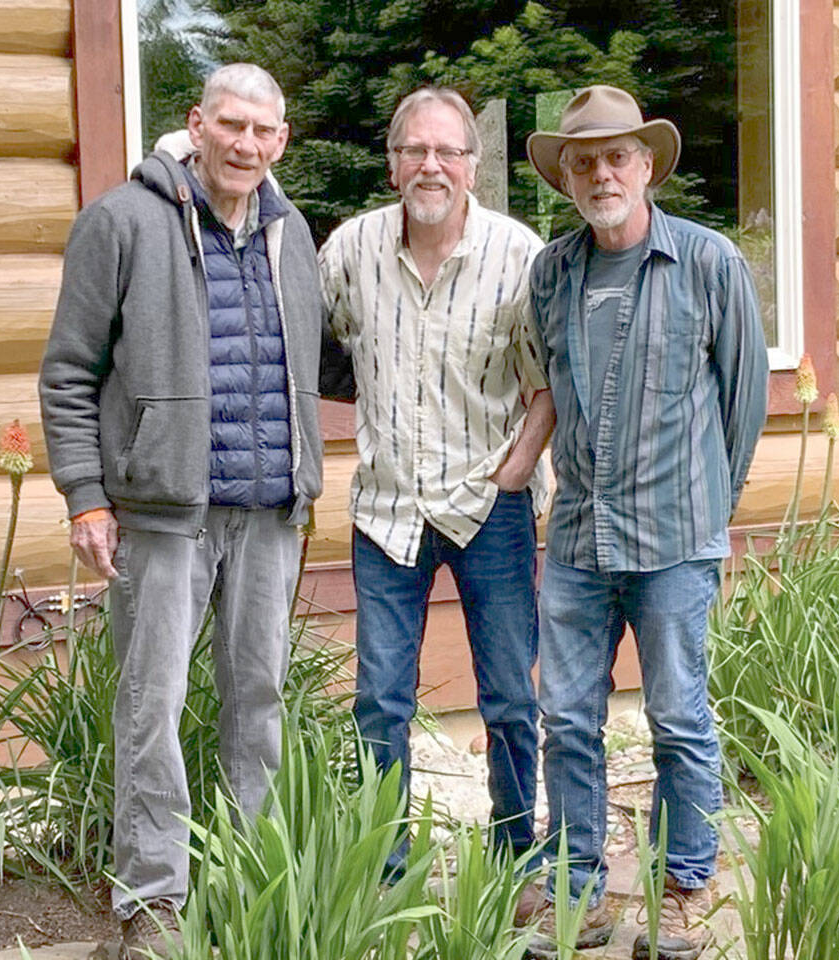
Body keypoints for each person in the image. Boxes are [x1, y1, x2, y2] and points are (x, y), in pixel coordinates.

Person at [39, 63, 328, 960]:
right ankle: (151, 900)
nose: (245, 144)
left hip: (270, 510)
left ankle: (250, 877)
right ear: (197, 124)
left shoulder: (291, 233)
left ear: (281, 142)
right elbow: (68, 371)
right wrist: (87, 495)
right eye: (230, 125)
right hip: (163, 516)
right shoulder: (121, 222)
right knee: (151, 702)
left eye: (263, 132)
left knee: (260, 701)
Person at [521, 85, 769, 959]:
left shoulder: (709, 262)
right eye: (582, 162)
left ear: (647, 165)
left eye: (615, 157)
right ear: (568, 179)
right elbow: (547, 392)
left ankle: (683, 891)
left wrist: (705, 504)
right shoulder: (551, 272)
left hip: (674, 541)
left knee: (678, 719)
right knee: (570, 721)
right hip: (581, 541)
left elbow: (744, 404)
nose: (600, 174)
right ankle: (578, 891)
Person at [318, 88, 554, 872]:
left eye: (447, 151)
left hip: (489, 509)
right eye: (415, 150)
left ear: (472, 168)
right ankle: (383, 866)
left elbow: (548, 380)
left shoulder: (518, 255)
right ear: (392, 165)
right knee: (379, 701)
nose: (431, 165)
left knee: (512, 700)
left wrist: (517, 468)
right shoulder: (349, 251)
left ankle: (516, 853)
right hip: (387, 512)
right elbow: (312, 351)